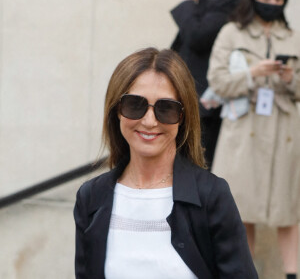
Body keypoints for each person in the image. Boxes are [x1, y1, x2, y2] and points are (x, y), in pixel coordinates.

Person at [73, 47, 258, 278]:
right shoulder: (91, 197)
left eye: (167, 108)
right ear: (117, 110)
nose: (149, 121)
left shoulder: (211, 196)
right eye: (134, 105)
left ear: (183, 117)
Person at [207, 0, 300, 278]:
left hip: (283, 128)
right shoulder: (232, 32)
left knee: (287, 207)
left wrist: (289, 79)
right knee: (241, 206)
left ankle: (291, 273)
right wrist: (252, 73)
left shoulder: (292, 37)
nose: (272, 3)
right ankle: (243, 273)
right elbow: (218, 81)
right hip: (243, 129)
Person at [170, 0, 245, 169]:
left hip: (205, 98)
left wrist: (188, 0)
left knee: (195, 164)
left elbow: (197, 36)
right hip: (187, 91)